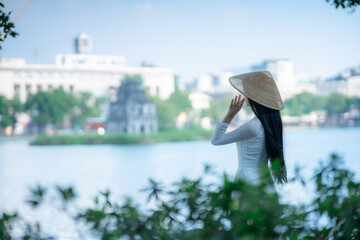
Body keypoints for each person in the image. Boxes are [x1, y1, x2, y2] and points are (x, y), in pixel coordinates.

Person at [211, 71, 287, 191]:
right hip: (266, 182)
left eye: (246, 91)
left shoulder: (253, 126)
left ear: (254, 96)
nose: (244, 94)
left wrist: (230, 114)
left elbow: (216, 140)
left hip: (247, 181)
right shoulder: (271, 123)